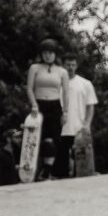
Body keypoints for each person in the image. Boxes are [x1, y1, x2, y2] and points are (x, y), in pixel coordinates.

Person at [25, 39, 70, 180]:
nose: (47, 55)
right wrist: (33, 105)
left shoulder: (62, 71)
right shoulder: (35, 68)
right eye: (45, 52)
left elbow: (66, 93)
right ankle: (32, 170)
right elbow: (29, 88)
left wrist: (65, 112)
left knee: (52, 140)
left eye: (50, 52)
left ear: (55, 54)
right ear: (41, 54)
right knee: (37, 138)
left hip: (55, 106)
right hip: (38, 105)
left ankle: (47, 171)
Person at [59, 53, 99, 178]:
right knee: (61, 168)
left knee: (81, 169)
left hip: (79, 130)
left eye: (73, 65)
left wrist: (87, 124)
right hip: (61, 129)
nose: (70, 67)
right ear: (63, 65)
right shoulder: (56, 83)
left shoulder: (85, 84)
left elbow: (90, 105)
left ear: (76, 66)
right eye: (67, 65)